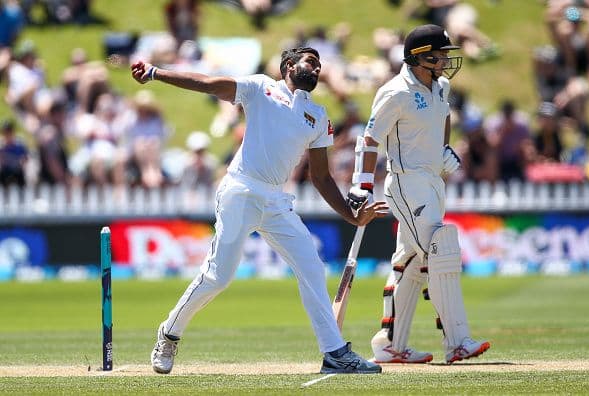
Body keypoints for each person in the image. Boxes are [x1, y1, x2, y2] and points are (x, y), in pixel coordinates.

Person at [131, 47, 389, 375]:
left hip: (275, 201)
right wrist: (156, 73)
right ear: (288, 66)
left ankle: (334, 353)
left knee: (312, 266)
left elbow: (321, 176)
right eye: (310, 60)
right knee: (218, 276)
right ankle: (168, 334)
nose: (317, 66)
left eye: (319, 64)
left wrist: (352, 217)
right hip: (241, 190)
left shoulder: (319, 115)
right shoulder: (260, 88)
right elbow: (209, 83)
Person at [346, 24, 490, 365]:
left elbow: (443, 117)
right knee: (441, 250)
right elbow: (369, 139)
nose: (445, 61)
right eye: (439, 56)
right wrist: (361, 183)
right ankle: (457, 342)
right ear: (421, 57)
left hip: (432, 181)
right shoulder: (395, 92)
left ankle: (389, 343)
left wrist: (444, 148)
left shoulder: (441, 86)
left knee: (408, 263)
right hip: (406, 182)